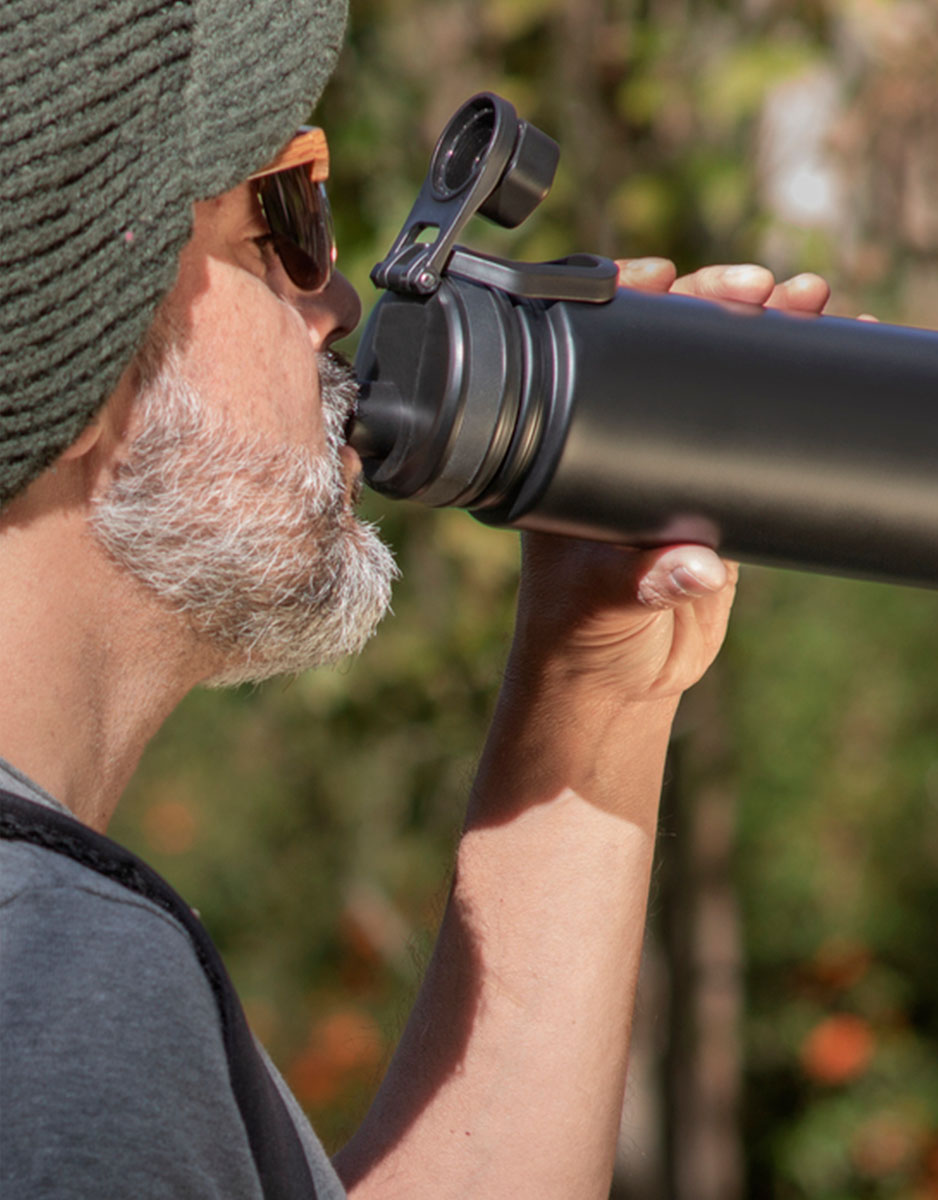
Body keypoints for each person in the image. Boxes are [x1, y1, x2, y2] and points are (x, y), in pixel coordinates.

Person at [0, 2, 832, 1196]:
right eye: (280, 223)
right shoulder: (58, 980)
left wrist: (591, 695)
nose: (335, 305)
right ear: (71, 361)